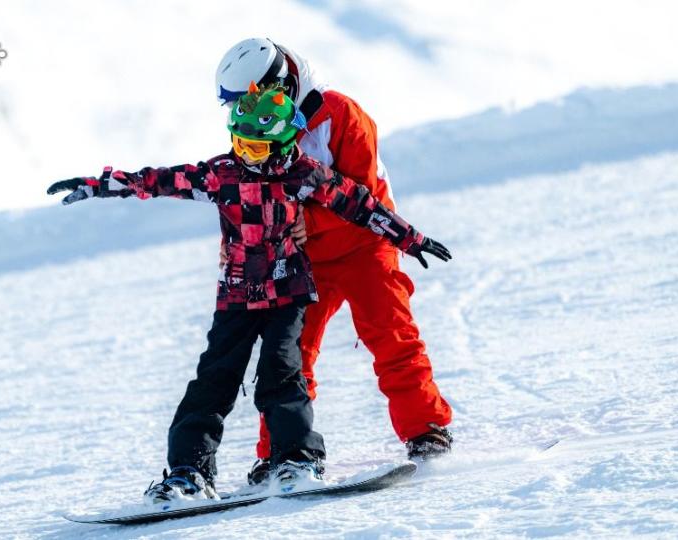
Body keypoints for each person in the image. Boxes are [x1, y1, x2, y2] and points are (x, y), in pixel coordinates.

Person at [46, 83, 451, 502]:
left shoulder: (304, 174)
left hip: (288, 295)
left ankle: (295, 459)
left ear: (281, 144)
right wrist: (100, 184)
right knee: (212, 381)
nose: (246, 156)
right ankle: (189, 472)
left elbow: (361, 205)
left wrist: (411, 239)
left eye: (256, 148)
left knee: (283, 376)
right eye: (239, 143)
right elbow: (162, 180)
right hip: (237, 297)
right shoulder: (224, 173)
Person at [215, 39, 455, 485]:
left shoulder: (340, 114)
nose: (251, 107)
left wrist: (308, 220)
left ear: (279, 83)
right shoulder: (258, 128)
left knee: (391, 334)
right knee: (287, 357)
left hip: (365, 246)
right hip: (306, 261)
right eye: (241, 102)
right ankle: (283, 452)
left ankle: (426, 430)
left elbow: (361, 193)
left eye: (254, 95)